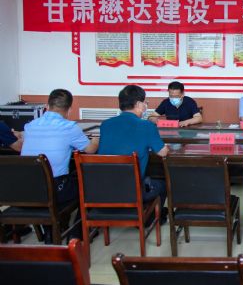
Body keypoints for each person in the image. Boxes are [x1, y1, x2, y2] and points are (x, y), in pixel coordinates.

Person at [21, 89, 99, 242]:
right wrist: (95, 140)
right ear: (69, 110)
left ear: (47, 106)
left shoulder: (30, 126)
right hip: (55, 190)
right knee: (90, 185)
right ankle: (76, 233)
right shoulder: (69, 127)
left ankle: (52, 230)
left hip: (26, 189)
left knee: (67, 178)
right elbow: (90, 150)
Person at [98, 85, 169, 222]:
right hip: (133, 190)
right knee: (163, 183)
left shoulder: (106, 124)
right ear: (138, 104)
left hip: (104, 189)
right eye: (145, 102)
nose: (145, 105)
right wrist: (165, 147)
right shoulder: (146, 126)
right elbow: (162, 152)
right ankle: (148, 219)